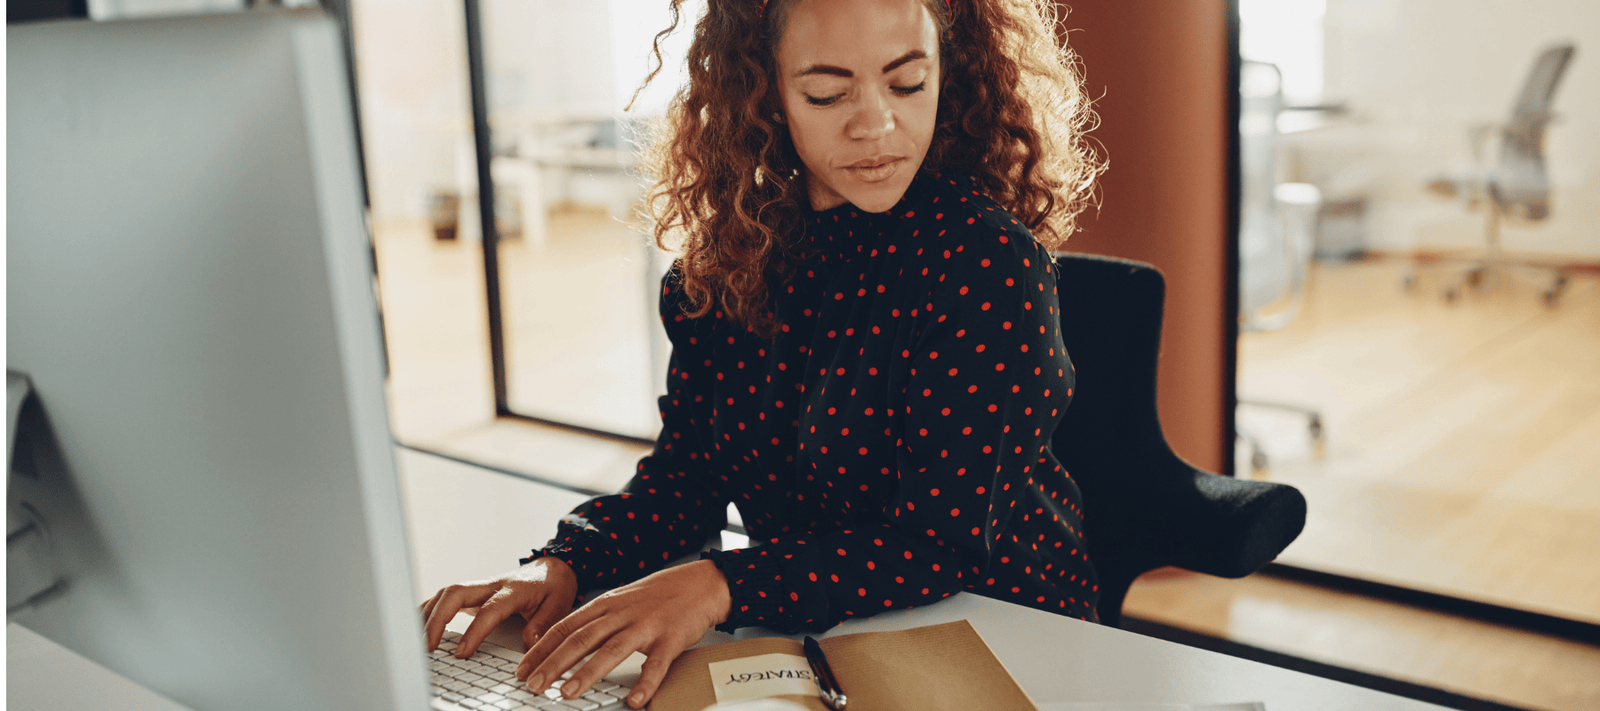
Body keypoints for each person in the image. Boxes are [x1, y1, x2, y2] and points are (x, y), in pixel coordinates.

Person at [419, 0, 1104, 707]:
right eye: (827, 93)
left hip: (1004, 633)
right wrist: (566, 561)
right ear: (765, 90)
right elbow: (688, 478)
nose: (876, 123)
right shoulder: (723, 266)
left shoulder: (984, 264)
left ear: (948, 73)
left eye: (907, 83)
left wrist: (720, 583)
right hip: (810, 633)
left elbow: (937, 543)